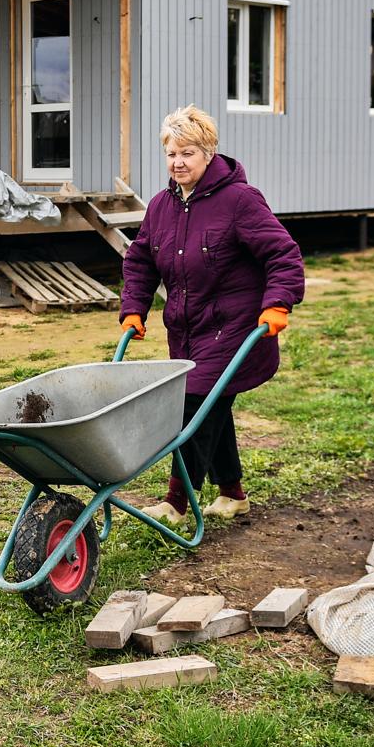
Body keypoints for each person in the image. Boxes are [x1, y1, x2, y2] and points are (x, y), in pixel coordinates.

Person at [119, 105, 304, 525]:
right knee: (211, 406)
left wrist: (278, 303)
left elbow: (283, 253)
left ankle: (175, 504)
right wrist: (133, 309)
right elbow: (141, 261)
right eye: (171, 154)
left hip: (235, 329)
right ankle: (233, 494)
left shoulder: (239, 200)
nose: (178, 162)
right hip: (187, 330)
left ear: (209, 153)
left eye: (188, 153)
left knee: (193, 408)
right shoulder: (161, 206)